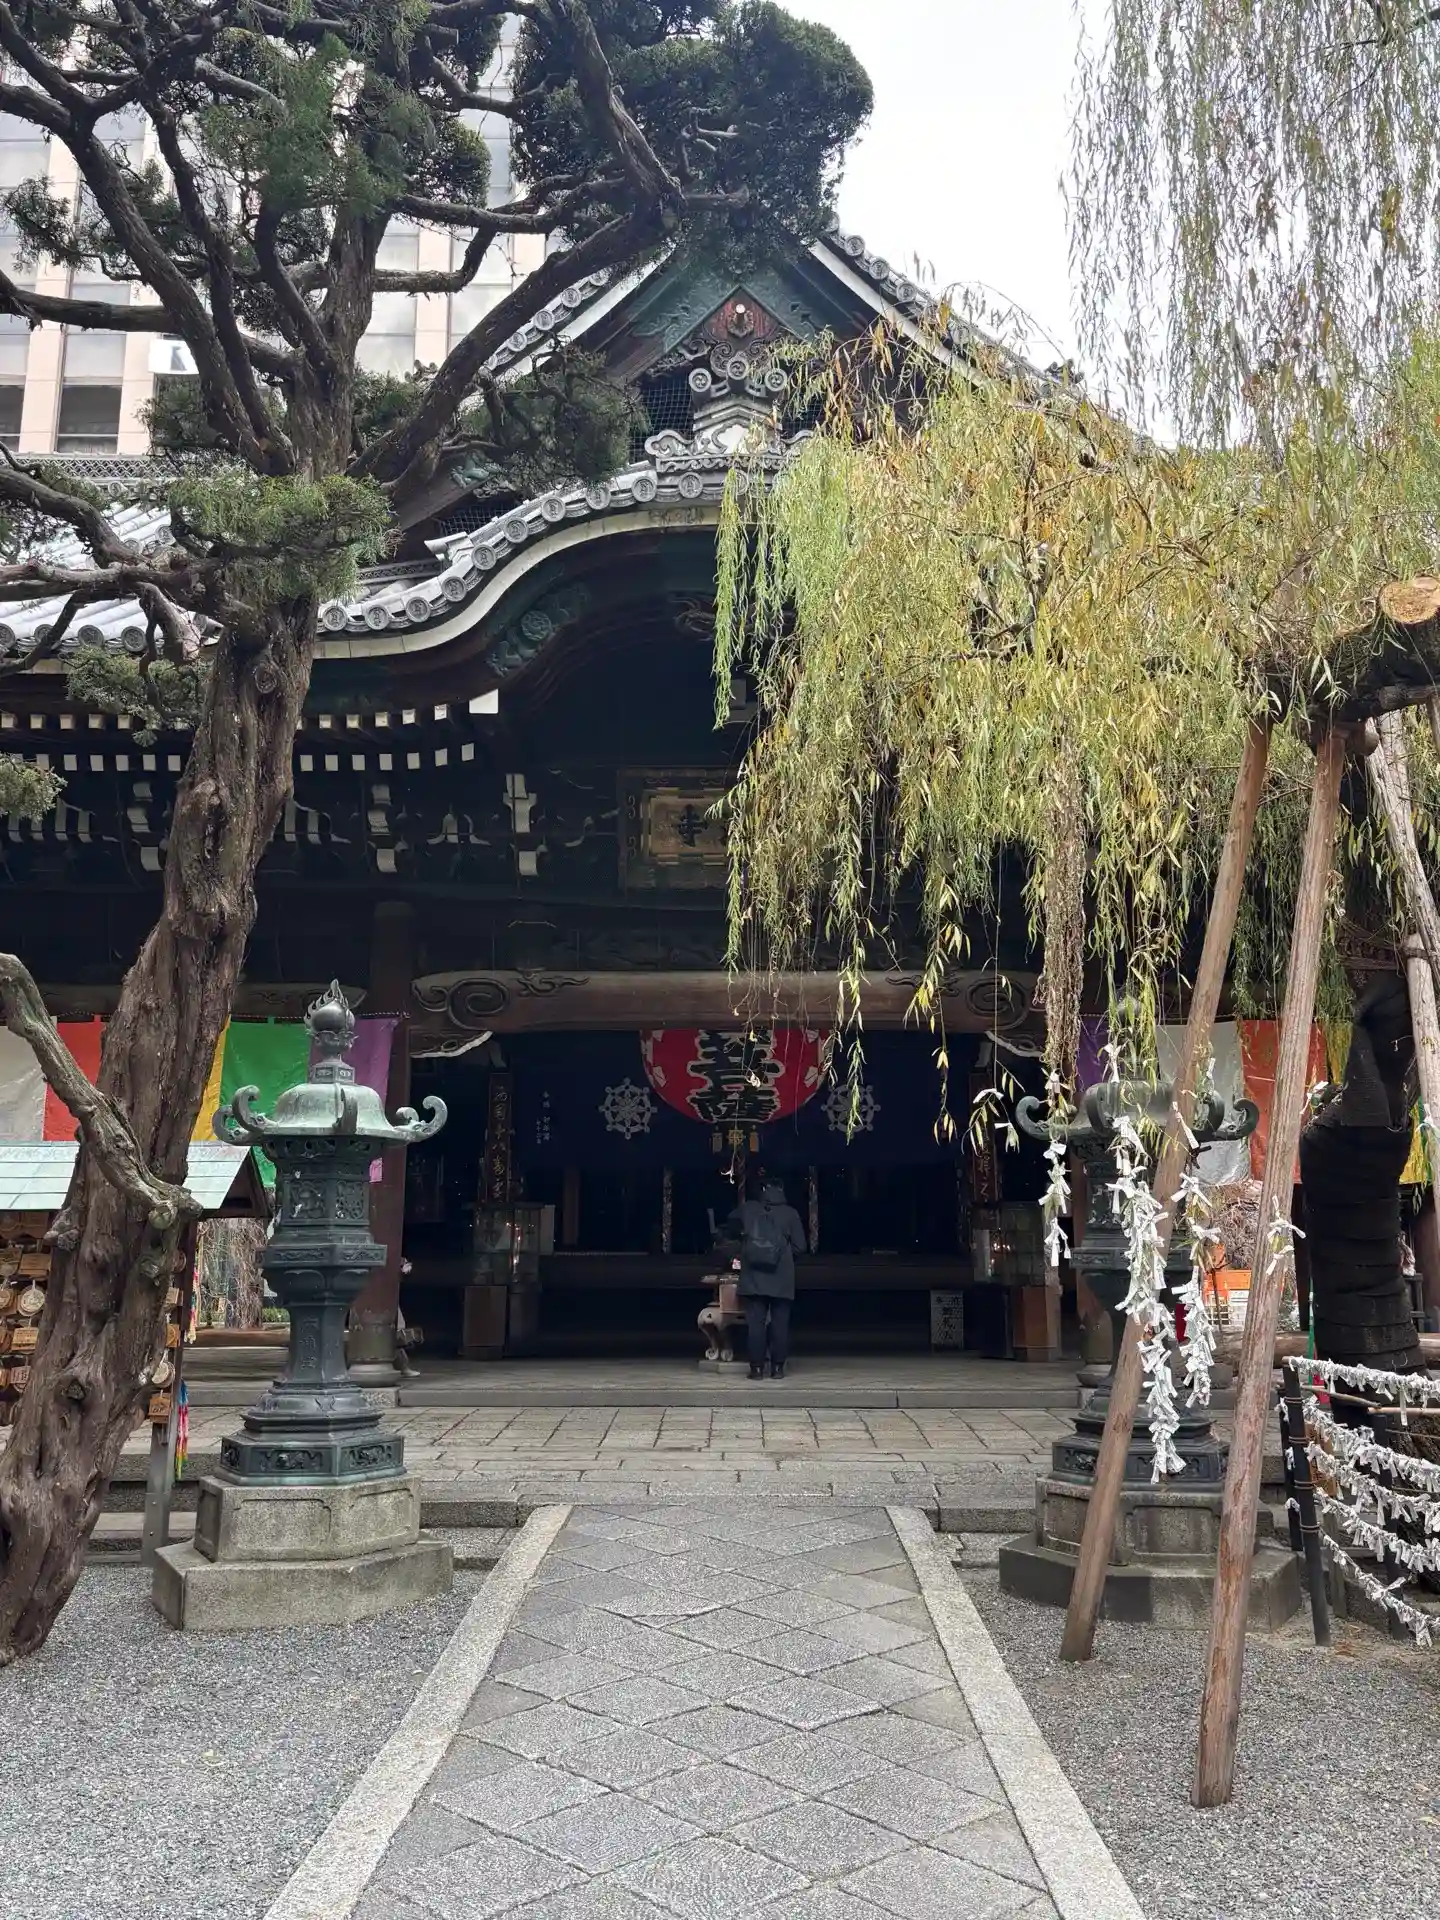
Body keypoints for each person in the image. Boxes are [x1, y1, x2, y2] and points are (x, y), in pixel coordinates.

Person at [728, 1171, 807, 1379]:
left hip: (753, 1276)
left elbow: (729, 1227)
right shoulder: (790, 1214)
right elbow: (800, 1247)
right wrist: (783, 1255)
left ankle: (756, 1369)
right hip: (781, 1277)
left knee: (756, 1325)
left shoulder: (748, 1209)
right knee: (780, 1324)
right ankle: (777, 1368)